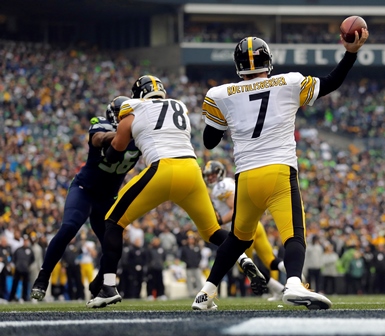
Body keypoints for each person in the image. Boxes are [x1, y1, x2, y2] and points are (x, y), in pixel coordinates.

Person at [193, 31, 368, 311]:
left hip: (246, 178)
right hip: (279, 172)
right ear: (268, 61)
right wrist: (351, 52)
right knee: (293, 234)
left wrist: (233, 117)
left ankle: (205, 293)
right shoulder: (290, 82)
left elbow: (210, 141)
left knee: (238, 239)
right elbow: (332, 82)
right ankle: (295, 282)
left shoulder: (220, 94)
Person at [86, 75, 264, 308]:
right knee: (212, 231)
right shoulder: (178, 105)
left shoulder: (133, 106)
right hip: (191, 170)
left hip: (162, 169)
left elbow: (117, 149)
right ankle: (243, 259)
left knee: (113, 221)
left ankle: (108, 286)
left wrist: (108, 151)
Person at [31, 96, 141, 301]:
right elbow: (97, 138)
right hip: (84, 190)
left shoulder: (141, 135)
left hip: (108, 197)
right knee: (69, 228)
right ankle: (43, 277)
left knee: (113, 244)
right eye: (124, 114)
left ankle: (100, 282)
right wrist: (118, 136)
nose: (128, 118)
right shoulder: (102, 124)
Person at [203, 160, 287, 300]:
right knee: (271, 261)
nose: (210, 177)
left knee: (246, 267)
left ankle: (280, 289)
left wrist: (219, 221)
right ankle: (293, 275)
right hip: (255, 225)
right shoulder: (229, 182)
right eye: (208, 175)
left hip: (241, 232)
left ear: (220, 172)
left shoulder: (221, 187)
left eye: (212, 174)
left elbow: (234, 209)